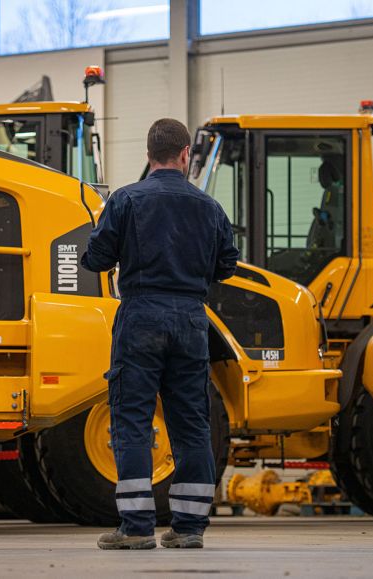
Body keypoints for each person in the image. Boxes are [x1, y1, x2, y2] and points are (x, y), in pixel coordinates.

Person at [82, 118, 239, 550]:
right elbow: (227, 265)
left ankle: (135, 529)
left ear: (148, 153)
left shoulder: (127, 200)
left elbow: (95, 259)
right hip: (191, 319)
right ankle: (188, 529)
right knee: (191, 423)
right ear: (186, 154)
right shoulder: (209, 207)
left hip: (141, 317)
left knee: (132, 421)